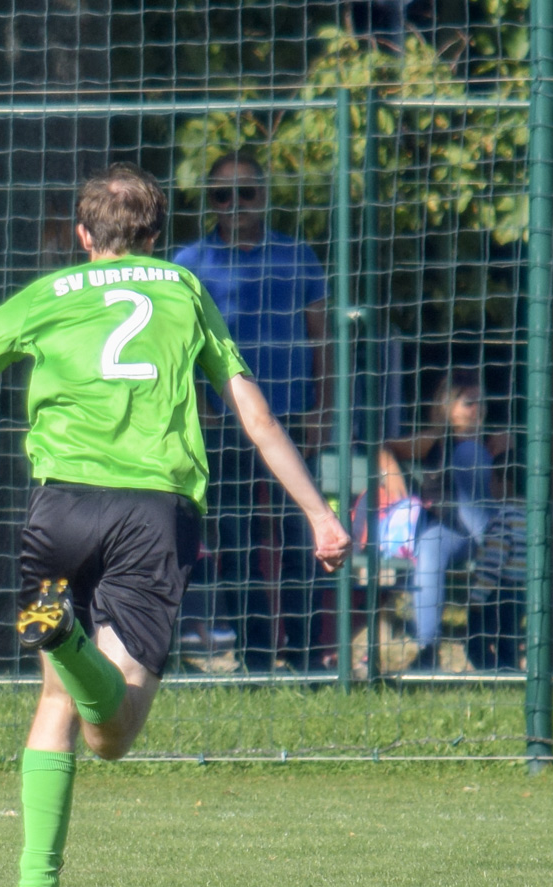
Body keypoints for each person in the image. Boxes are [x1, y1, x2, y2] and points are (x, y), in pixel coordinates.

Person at [0, 164, 350, 887]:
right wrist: (318, 512)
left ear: (83, 236)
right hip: (152, 511)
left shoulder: (48, 294)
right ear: (155, 236)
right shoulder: (182, 288)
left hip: (57, 510)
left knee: (57, 698)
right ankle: (69, 640)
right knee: (111, 736)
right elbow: (253, 415)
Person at [171, 150, 331, 671]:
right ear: (210, 202)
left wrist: (322, 408)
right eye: (223, 194)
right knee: (237, 543)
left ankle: (307, 654)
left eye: (247, 192)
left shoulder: (298, 256)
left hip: (291, 418)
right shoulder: (188, 263)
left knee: (302, 535)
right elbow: (177, 347)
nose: (236, 204)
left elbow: (321, 337)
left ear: (264, 196)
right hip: (224, 422)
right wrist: (201, 406)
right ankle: (256, 655)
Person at [382, 370, 510, 669]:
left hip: (491, 529)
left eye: (481, 402)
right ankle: (427, 648)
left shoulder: (493, 443)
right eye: (468, 403)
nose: (478, 410)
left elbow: (506, 495)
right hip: (452, 530)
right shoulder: (435, 440)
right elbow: (385, 447)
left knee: (468, 453)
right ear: (447, 407)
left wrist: (501, 455)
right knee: (429, 548)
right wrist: (392, 475)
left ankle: (488, 644)